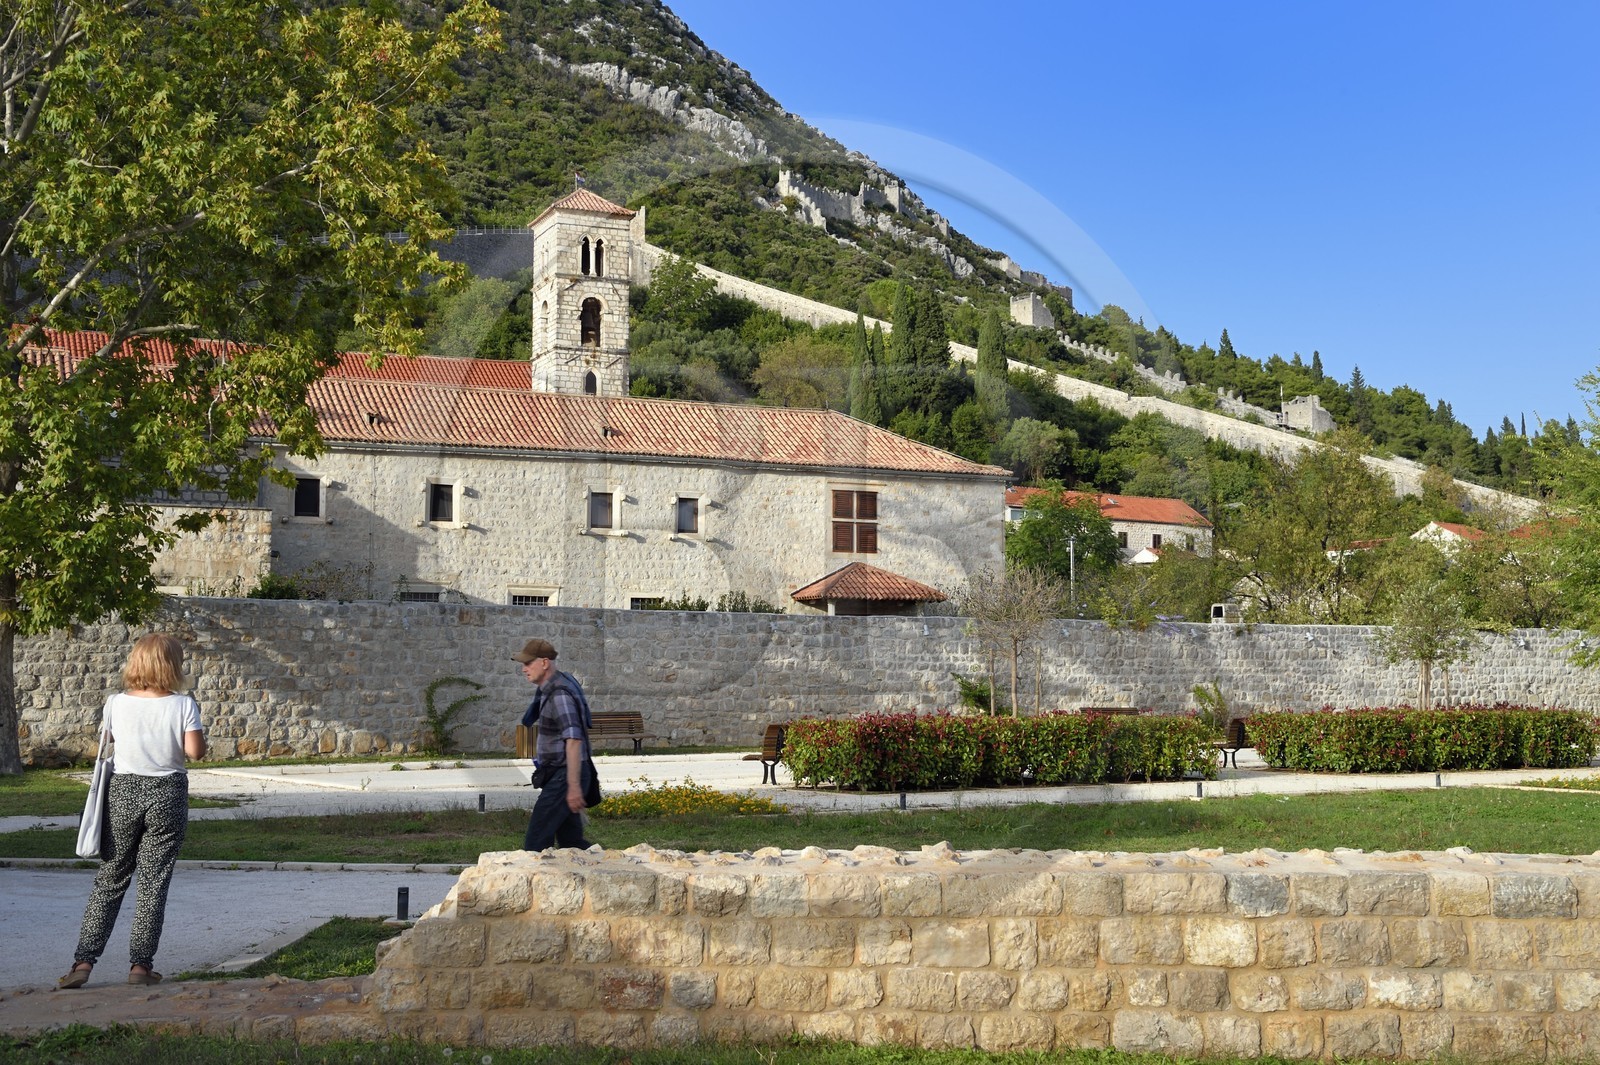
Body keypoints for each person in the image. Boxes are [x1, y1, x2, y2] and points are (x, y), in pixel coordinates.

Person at [59, 633, 206, 988]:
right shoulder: (183, 705)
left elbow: (109, 742)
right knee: (153, 883)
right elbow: (195, 753)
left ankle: (82, 963)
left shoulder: (115, 703)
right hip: (167, 792)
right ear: (172, 665)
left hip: (123, 791)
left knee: (110, 878)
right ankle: (140, 968)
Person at [514, 638, 595, 851]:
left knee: (536, 842)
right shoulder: (553, 688)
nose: (524, 669)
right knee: (572, 845)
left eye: (528, 663)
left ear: (545, 662)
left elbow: (574, 739)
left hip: (565, 775)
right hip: (562, 774)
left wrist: (574, 786)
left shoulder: (559, 694)